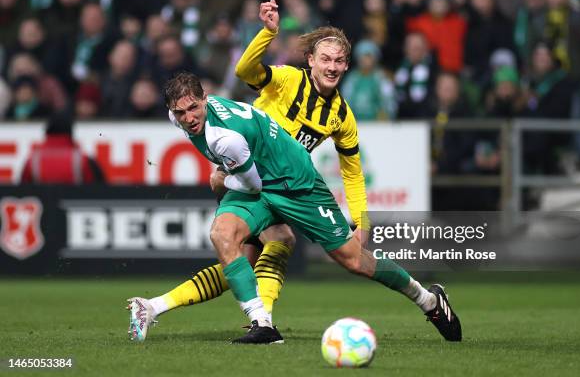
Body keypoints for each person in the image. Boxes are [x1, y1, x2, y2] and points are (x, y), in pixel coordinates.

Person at [128, 72, 461, 344]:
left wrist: (220, 180)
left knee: (353, 259)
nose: (188, 118)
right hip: (260, 177)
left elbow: (252, 185)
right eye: (180, 112)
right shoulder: (185, 118)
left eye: (193, 109)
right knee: (223, 235)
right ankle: (262, 325)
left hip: (295, 184)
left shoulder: (224, 138)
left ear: (206, 99)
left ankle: (428, 300)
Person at [126, 0, 371, 342]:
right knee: (278, 241)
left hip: (280, 180)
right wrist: (267, 34)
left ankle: (153, 307)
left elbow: (353, 171)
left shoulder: (342, 117)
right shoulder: (287, 80)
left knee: (241, 263)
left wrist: (362, 219)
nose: (331, 67)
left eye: (339, 61)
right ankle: (263, 322)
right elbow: (245, 72)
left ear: (346, 66)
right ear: (311, 61)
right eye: (325, 59)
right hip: (254, 173)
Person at [20, 113, 105, 184]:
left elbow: (22, 193)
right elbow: (97, 192)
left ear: (47, 131)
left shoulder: (33, 160)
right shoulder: (82, 160)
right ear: (70, 132)